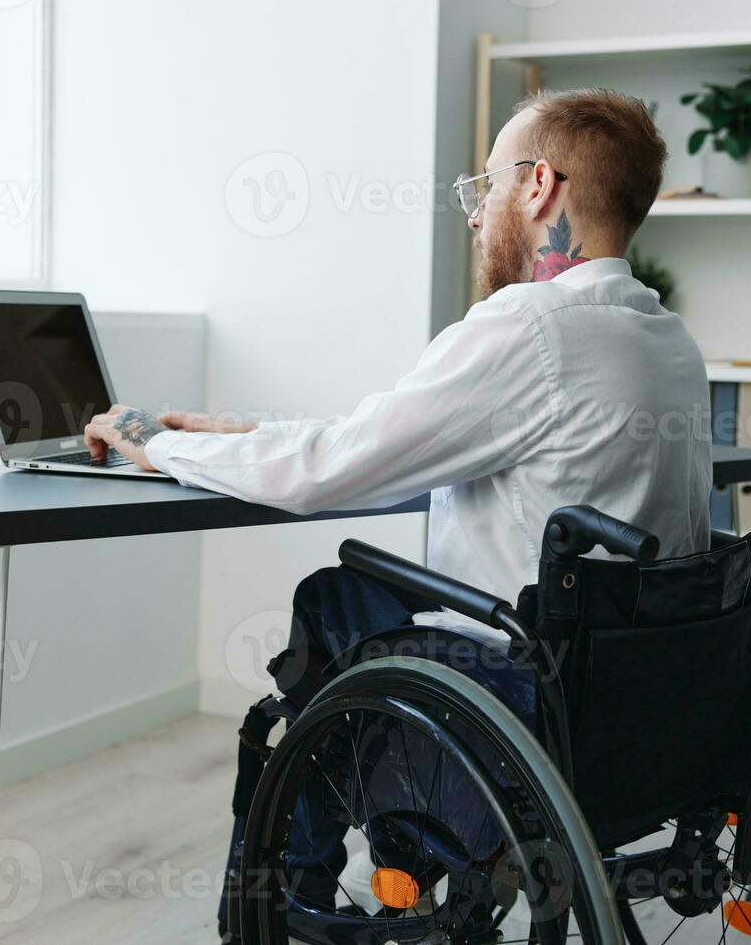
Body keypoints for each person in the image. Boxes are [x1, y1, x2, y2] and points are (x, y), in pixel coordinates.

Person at [85, 88, 712, 934]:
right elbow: (382, 440)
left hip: (522, 696)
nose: (476, 213)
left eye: (483, 187)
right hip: (637, 702)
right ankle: (391, 869)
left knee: (335, 600)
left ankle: (280, 908)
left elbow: (326, 473)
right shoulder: (664, 338)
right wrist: (243, 430)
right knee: (351, 604)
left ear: (540, 188)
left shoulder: (528, 328)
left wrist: (153, 444)